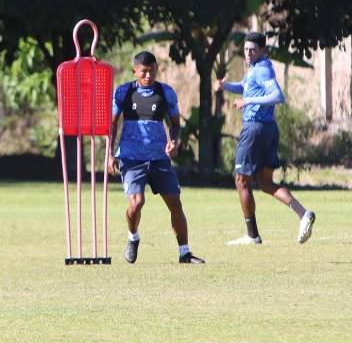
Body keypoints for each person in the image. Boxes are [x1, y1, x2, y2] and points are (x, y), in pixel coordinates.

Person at [216, 32, 316, 245]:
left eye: (253, 49)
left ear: (263, 50)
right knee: (266, 183)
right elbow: (245, 85)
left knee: (241, 180)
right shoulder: (254, 68)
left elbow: (277, 96)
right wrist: (226, 86)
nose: (248, 53)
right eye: (246, 49)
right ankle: (303, 213)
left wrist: (248, 101)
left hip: (255, 129)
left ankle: (252, 235)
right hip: (268, 129)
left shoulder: (262, 69)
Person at [106, 51, 205, 265]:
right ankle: (133, 236)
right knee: (137, 202)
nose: (148, 76)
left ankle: (184, 252)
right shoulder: (123, 92)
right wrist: (109, 154)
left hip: (159, 158)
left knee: (175, 203)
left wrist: (174, 141)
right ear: (135, 71)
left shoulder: (165, 92)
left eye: (152, 71)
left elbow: (175, 123)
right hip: (131, 158)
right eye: (144, 72)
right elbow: (112, 124)